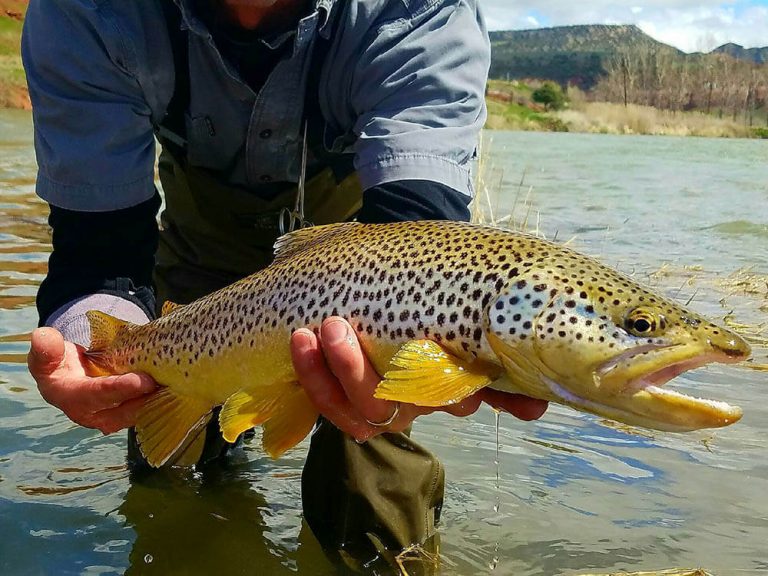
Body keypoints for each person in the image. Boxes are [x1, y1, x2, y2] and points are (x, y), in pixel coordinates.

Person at [22, 0, 548, 570]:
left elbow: (414, 242)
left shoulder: (420, 9)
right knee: (167, 468)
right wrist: (89, 342)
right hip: (202, 247)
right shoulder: (85, 11)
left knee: (375, 471)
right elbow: (98, 249)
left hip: (364, 269)